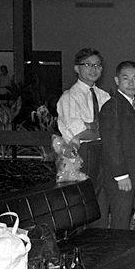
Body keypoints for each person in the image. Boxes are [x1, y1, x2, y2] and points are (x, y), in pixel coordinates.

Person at [99, 61, 135, 231]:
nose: (131, 83)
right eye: (126, 78)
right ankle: (118, 256)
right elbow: (111, 143)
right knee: (121, 222)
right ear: (116, 80)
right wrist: (121, 175)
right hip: (122, 177)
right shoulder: (112, 106)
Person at [56, 48, 110, 181]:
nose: (93, 69)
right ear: (76, 68)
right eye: (87, 64)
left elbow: (113, 126)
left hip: (105, 152)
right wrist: (99, 130)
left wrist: (91, 127)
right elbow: (79, 132)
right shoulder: (69, 97)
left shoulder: (105, 96)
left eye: (97, 65)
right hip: (80, 155)